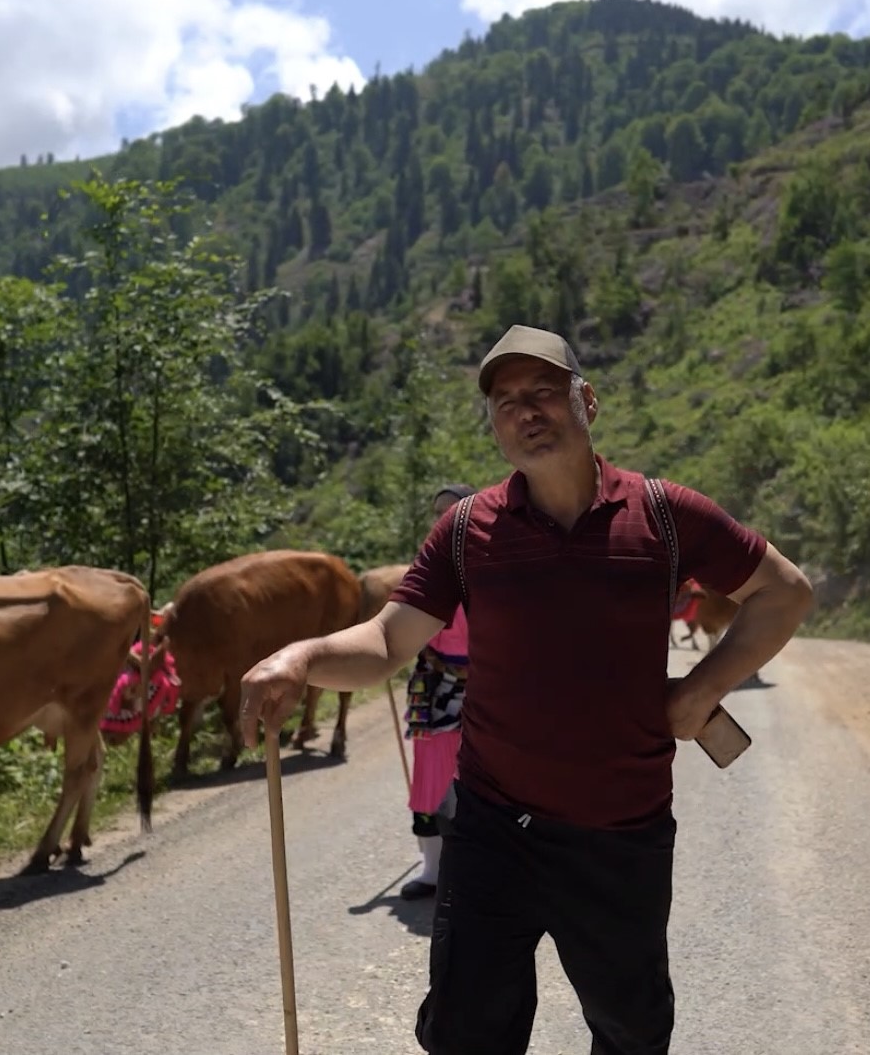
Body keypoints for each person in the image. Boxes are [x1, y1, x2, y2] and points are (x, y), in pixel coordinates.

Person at [238, 324, 817, 1055]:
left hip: (619, 833)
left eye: (544, 390)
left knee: (631, 1031)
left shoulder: (664, 515)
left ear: (588, 400)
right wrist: (298, 655)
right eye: (505, 399)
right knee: (463, 1032)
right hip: (491, 829)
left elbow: (783, 592)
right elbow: (387, 640)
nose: (525, 409)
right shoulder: (465, 530)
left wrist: (700, 691)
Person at [400, 481, 477, 900]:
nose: (443, 518)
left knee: (482, 776)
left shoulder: (494, 566)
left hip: (487, 684)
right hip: (433, 681)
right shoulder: (424, 568)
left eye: (453, 509)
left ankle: (480, 866)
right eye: (438, 512)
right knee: (430, 774)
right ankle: (432, 870)